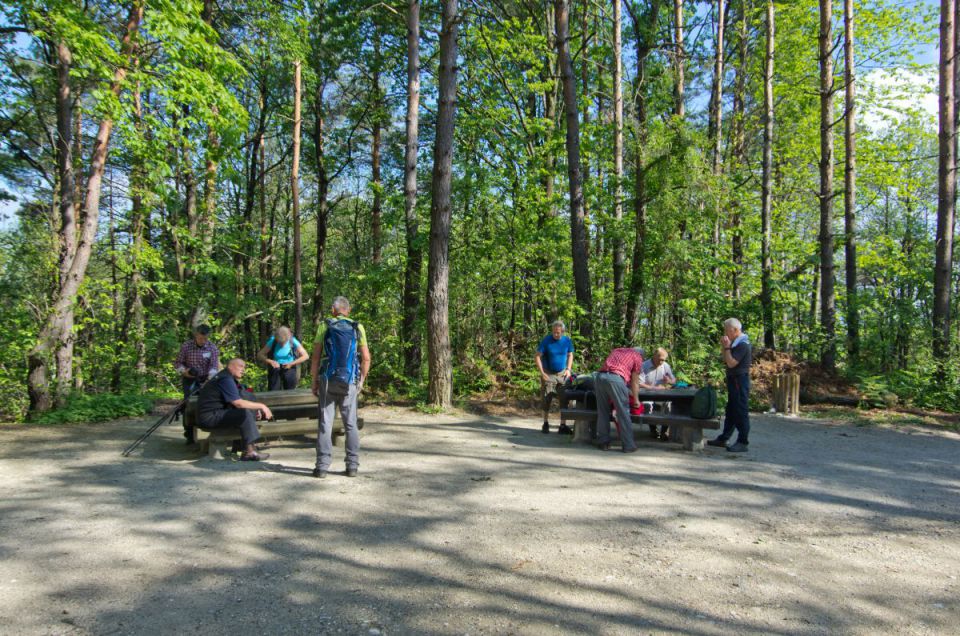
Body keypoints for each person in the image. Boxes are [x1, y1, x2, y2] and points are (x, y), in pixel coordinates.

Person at [310, 296, 370, 479]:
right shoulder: (357, 327)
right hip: (349, 381)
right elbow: (366, 358)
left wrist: (314, 381)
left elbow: (316, 357)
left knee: (325, 423)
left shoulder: (325, 325)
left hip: (328, 380)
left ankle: (322, 467)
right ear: (348, 310)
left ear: (333, 310)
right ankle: (352, 466)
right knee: (350, 424)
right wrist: (361, 381)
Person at [196, 358, 274, 461]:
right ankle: (250, 452)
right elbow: (238, 403)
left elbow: (243, 396)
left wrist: (255, 409)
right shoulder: (225, 379)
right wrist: (262, 406)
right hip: (209, 417)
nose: (243, 370)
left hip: (216, 414)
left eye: (244, 367)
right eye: (240, 366)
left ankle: (240, 448)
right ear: (230, 366)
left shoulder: (227, 377)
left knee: (246, 406)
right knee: (243, 414)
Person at [707, 318, 752, 453]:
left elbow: (731, 363)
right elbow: (725, 359)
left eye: (727, 330)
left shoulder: (743, 345)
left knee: (740, 410)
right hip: (733, 380)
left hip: (740, 380)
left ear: (735, 330)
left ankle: (743, 441)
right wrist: (725, 346)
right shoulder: (735, 343)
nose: (725, 333)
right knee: (731, 410)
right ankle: (724, 438)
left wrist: (727, 347)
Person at [173, 325, 220, 443]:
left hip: (206, 378)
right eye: (200, 338)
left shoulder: (212, 348)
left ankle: (205, 429)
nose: (203, 341)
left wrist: (209, 378)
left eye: (205, 338)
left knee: (206, 402)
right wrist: (184, 372)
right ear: (196, 335)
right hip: (189, 378)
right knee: (188, 404)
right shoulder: (186, 346)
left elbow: (214, 366)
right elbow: (178, 363)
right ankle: (188, 433)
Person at [594, 346, 644, 453]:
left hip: (600, 377)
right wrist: (636, 399)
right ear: (641, 355)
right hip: (616, 379)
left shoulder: (618, 350)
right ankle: (628, 445)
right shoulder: (637, 357)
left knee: (602, 411)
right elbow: (635, 382)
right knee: (623, 412)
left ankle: (603, 442)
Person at [535, 320, 574, 434]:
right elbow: (537, 356)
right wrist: (542, 372)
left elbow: (570, 354)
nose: (556, 334)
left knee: (564, 398)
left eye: (558, 332)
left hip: (562, 373)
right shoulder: (547, 340)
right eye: (554, 332)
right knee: (546, 398)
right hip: (548, 373)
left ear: (563, 331)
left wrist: (568, 369)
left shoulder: (567, 341)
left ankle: (562, 425)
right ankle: (545, 423)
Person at [257, 326, 310, 391]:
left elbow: (306, 356)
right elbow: (260, 354)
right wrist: (270, 361)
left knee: (290, 390)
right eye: (279, 343)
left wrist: (291, 364)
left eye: (283, 342)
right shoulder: (273, 341)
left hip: (290, 367)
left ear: (288, 338)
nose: (281, 344)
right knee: (273, 391)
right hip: (275, 367)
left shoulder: (293, 341)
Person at [640, 347, 675, 440]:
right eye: (660, 360)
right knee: (647, 405)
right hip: (647, 394)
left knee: (669, 404)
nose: (661, 362)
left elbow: (674, 381)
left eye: (663, 360)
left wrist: (669, 380)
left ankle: (664, 431)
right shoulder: (643, 366)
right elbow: (639, 383)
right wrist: (654, 388)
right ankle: (653, 429)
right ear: (654, 356)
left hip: (662, 395)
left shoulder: (665, 365)